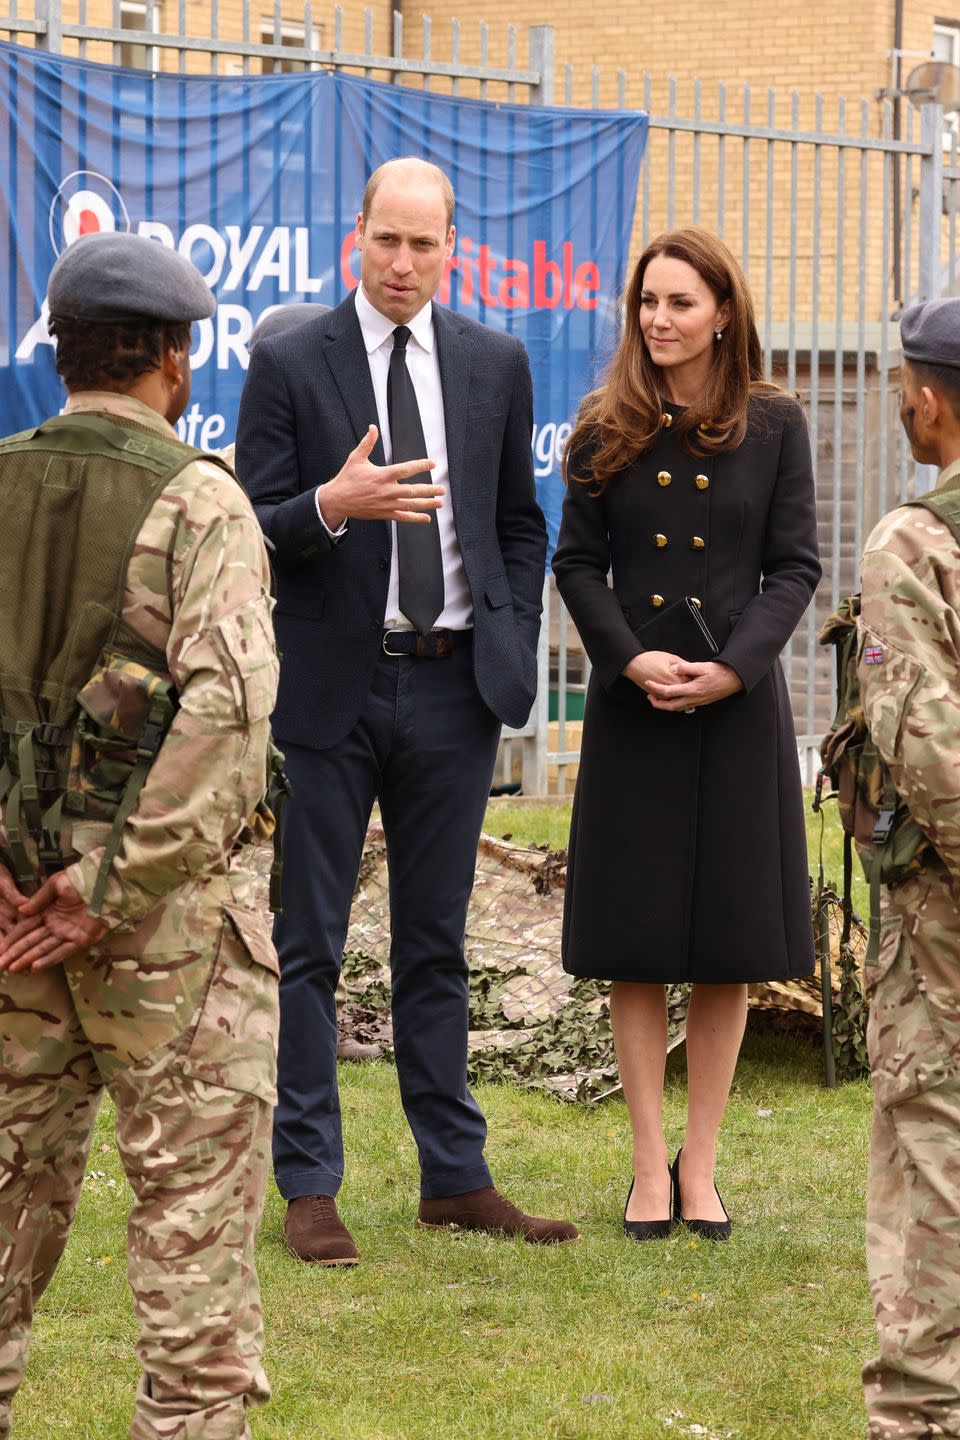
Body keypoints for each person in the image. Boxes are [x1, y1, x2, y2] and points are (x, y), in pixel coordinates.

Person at [235, 156, 576, 1265]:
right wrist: (332, 504)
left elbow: (519, 522)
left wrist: (510, 629)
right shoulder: (291, 361)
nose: (403, 262)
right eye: (387, 240)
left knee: (435, 941)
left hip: (453, 684)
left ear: (451, 247)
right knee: (309, 946)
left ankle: (455, 1178)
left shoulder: (495, 362)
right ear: (358, 236)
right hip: (331, 683)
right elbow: (248, 520)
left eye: (425, 244)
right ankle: (309, 1184)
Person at [0, 231, 280, 1440]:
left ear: (60, 357)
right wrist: (107, 880)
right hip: (165, 941)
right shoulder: (199, 498)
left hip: (8, 922)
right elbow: (231, 711)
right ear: (176, 356)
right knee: (191, 1246)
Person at [552, 227, 821, 1242]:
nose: (658, 322)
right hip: (635, 708)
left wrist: (734, 668)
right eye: (647, 304)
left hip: (737, 706)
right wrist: (626, 658)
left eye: (679, 304)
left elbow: (794, 564)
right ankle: (645, 1170)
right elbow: (578, 565)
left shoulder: (776, 424)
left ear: (722, 313)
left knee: (727, 946)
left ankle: (699, 1167)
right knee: (638, 941)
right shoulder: (600, 428)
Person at [223, 300, 384, 1064]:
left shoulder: (361, 473)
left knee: (309, 883)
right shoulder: (226, 481)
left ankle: (307, 1016)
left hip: (319, 700)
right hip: (243, 701)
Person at [857, 296, 960, 1439]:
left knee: (933, 1149)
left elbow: (925, 741)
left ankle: (924, 1414)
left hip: (942, 922)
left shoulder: (915, 542)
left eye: (900, 385)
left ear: (928, 396)